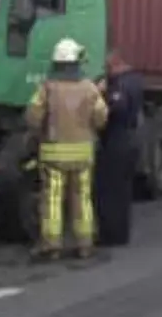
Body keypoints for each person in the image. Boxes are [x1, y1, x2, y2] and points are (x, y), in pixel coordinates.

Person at [24, 38, 108, 261]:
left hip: (54, 154)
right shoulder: (90, 88)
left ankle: (51, 245)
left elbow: (33, 117)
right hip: (82, 154)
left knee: (52, 200)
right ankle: (84, 244)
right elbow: (101, 117)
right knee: (82, 199)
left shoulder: (47, 88)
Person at [94, 48, 145, 246]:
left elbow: (118, 108)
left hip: (117, 141)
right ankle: (119, 234)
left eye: (107, 66)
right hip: (129, 140)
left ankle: (111, 235)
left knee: (110, 191)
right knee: (122, 191)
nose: (106, 70)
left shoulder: (121, 84)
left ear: (116, 63)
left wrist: (101, 96)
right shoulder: (135, 80)